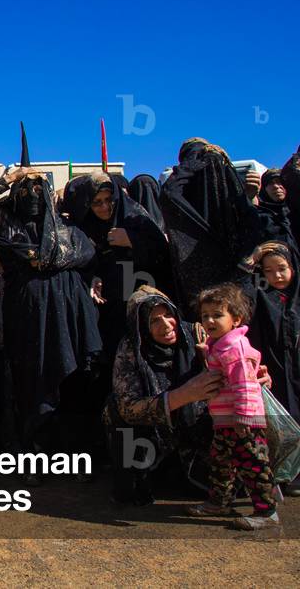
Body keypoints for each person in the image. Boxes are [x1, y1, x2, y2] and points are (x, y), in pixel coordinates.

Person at [0, 165, 102, 472]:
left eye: (36, 188)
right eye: (24, 188)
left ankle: (73, 457)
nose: (31, 195)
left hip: (68, 320)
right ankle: (33, 457)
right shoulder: (10, 228)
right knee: (33, 385)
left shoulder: (65, 232)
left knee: (71, 384)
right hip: (28, 319)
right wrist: (9, 178)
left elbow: (89, 258)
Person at [104, 287, 216, 505]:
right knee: (113, 410)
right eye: (154, 321)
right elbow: (128, 408)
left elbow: (233, 366)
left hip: (196, 429)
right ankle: (141, 481)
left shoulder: (196, 334)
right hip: (154, 435)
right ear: (142, 326)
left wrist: (250, 376)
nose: (166, 325)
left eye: (168, 315)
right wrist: (182, 395)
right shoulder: (131, 348)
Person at [186, 283, 278, 530]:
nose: (209, 321)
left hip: (242, 420)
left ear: (236, 319)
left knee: (252, 464)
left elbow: (244, 384)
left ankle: (266, 511)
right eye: (205, 316)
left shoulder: (234, 348)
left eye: (218, 315)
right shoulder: (221, 345)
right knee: (221, 463)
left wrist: (243, 416)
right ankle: (219, 502)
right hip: (226, 420)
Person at [64, 172, 171, 362]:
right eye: (97, 202)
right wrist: (93, 277)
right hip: (108, 307)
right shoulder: (86, 226)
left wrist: (132, 240)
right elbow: (85, 260)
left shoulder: (135, 218)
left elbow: (162, 253)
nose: (105, 207)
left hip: (138, 298)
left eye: (108, 200)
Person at [160, 138, 263, 319]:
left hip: (235, 289)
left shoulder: (238, 209)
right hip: (199, 292)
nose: (210, 168)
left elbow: (170, 191)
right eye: (198, 159)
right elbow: (170, 193)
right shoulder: (190, 221)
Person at [247, 241, 300, 496]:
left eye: (282, 268)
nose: (277, 276)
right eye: (268, 271)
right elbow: (239, 293)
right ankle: (287, 475)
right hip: (276, 374)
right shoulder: (261, 298)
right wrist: (253, 258)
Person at [255, 169, 298, 254]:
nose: (276, 186)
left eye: (280, 182)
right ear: (264, 188)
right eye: (270, 183)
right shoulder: (259, 216)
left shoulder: (295, 211)